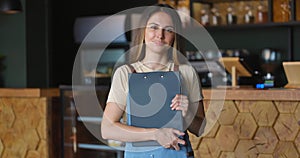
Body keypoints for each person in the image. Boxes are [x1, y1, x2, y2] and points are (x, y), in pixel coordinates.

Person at [101, 3, 205, 158]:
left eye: (168, 30)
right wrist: (155, 134)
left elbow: (200, 129)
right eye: (153, 27)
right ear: (143, 30)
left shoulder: (186, 72)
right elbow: (107, 129)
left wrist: (187, 113)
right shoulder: (125, 73)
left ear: (175, 36)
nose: (160, 35)